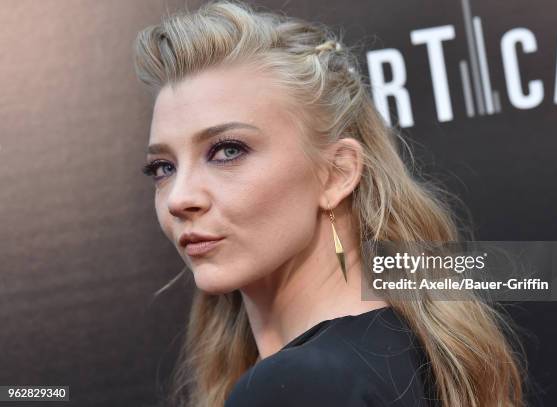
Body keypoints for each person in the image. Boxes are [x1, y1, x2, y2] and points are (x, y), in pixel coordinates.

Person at [134, 1, 525, 406]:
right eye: (162, 167)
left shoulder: (297, 385)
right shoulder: (410, 351)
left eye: (227, 151)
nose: (179, 198)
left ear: (337, 173)